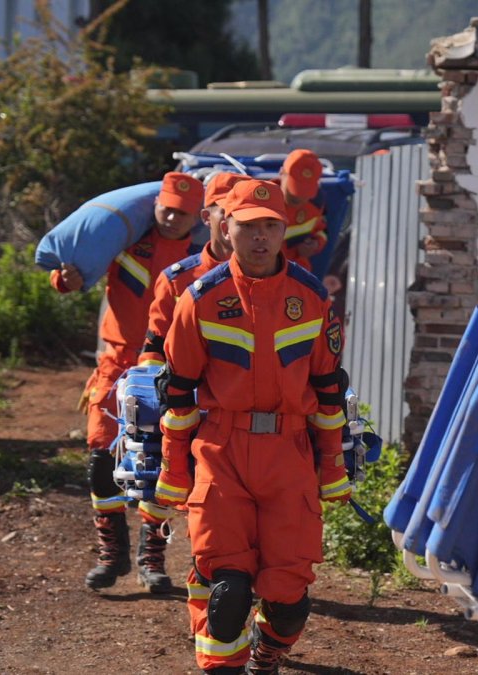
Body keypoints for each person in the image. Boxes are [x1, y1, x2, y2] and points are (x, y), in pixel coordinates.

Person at [154, 178, 351, 674]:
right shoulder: (199, 298)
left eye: (270, 226)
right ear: (225, 226)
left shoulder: (311, 298)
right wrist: (174, 470)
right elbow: (178, 395)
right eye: (247, 226)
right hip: (221, 450)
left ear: (284, 229)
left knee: (288, 599)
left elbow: (328, 392)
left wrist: (332, 466)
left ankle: (268, 654)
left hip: (290, 455)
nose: (259, 237)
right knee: (228, 590)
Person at [50, 171, 203, 593]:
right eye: (167, 208)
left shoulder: (202, 256)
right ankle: (111, 554)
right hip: (116, 365)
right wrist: (66, 279)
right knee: (101, 458)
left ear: (199, 216)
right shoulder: (127, 242)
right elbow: (78, 269)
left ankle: (151, 558)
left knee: (162, 463)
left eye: (183, 213)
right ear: (156, 205)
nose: (173, 218)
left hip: (170, 371)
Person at [139, 172, 247, 366]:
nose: (235, 221)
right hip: (192, 394)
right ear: (206, 217)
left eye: (244, 213)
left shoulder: (283, 280)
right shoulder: (175, 280)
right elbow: (154, 353)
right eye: (227, 212)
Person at [277, 148, 327, 271]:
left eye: (306, 191)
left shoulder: (316, 204)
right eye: (295, 188)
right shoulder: (262, 203)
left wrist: (316, 243)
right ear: (281, 173)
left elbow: (322, 230)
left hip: (297, 276)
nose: (299, 197)